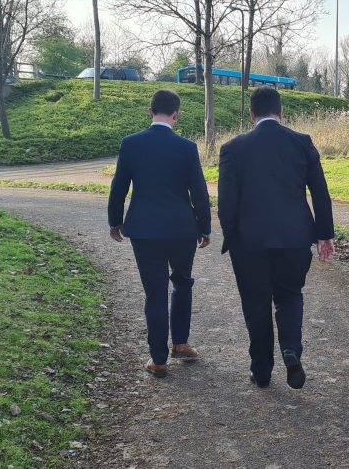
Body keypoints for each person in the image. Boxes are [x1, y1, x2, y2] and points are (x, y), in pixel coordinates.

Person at [217, 86, 335, 390]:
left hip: (249, 242)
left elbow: (226, 202)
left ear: (251, 114)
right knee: (290, 294)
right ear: (281, 113)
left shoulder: (233, 148)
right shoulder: (302, 143)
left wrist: (231, 237)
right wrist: (324, 235)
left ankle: (262, 370)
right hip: (295, 238)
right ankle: (291, 350)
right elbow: (320, 193)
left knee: (255, 304)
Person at [108, 89, 212, 378]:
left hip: (144, 230)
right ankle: (180, 343)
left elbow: (119, 187)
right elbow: (199, 193)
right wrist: (204, 227)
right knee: (182, 283)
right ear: (176, 115)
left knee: (155, 293)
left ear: (150, 112)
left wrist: (115, 221)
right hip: (182, 229)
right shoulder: (187, 147)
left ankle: (158, 360)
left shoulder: (131, 144)